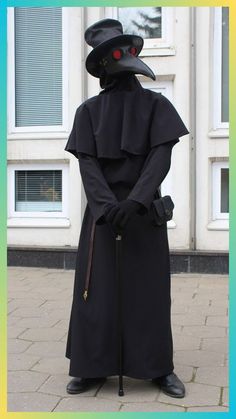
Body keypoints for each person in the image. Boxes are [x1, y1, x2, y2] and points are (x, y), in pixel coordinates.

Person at [64, 18, 189, 398]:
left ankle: (157, 367)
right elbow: (88, 165)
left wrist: (135, 200)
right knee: (96, 293)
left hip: (143, 214)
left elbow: (160, 157)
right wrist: (107, 206)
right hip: (103, 218)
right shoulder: (88, 112)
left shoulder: (157, 106)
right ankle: (92, 366)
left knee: (149, 292)